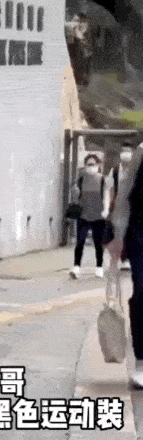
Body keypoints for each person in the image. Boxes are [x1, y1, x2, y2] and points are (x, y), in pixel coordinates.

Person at [109, 141, 143, 387]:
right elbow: (124, 196)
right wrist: (118, 236)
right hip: (141, 234)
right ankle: (142, 361)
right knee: (142, 291)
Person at [70, 154, 110, 279]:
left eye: (93, 164)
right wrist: (75, 191)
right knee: (80, 241)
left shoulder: (102, 180)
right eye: (88, 164)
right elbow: (76, 196)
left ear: (98, 165)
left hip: (98, 216)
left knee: (98, 243)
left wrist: (106, 209)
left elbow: (106, 196)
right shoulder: (81, 180)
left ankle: (99, 267)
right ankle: (76, 267)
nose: (91, 167)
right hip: (83, 215)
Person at [106, 142, 135, 270]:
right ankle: (122, 258)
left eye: (128, 151)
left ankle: (127, 259)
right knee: (119, 234)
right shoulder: (115, 171)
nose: (125, 154)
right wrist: (109, 205)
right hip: (118, 208)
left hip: (133, 207)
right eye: (123, 151)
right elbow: (109, 188)